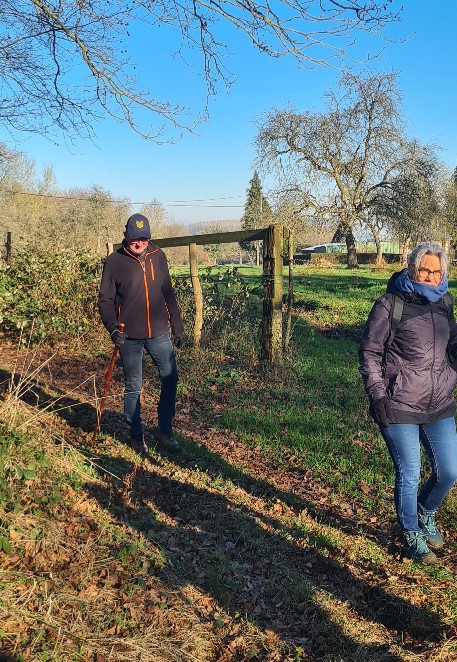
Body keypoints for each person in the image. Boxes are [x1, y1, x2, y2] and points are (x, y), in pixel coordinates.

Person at [359, 242, 457, 564]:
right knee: (410, 471)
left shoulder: (445, 301)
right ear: (412, 268)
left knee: (449, 471)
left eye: (436, 272)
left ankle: (425, 512)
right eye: (424, 270)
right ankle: (411, 532)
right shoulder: (390, 304)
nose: (430, 277)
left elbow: (452, 342)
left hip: (439, 402)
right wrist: (377, 395)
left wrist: (453, 372)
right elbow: (370, 352)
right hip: (398, 402)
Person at [98, 213, 184, 455]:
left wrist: (177, 325)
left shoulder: (159, 256)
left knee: (170, 377)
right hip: (129, 335)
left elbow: (168, 293)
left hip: (159, 332)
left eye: (144, 239)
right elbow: (105, 300)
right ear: (126, 235)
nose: (139, 244)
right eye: (135, 239)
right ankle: (136, 434)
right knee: (133, 385)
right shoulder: (114, 262)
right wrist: (112, 328)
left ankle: (165, 430)